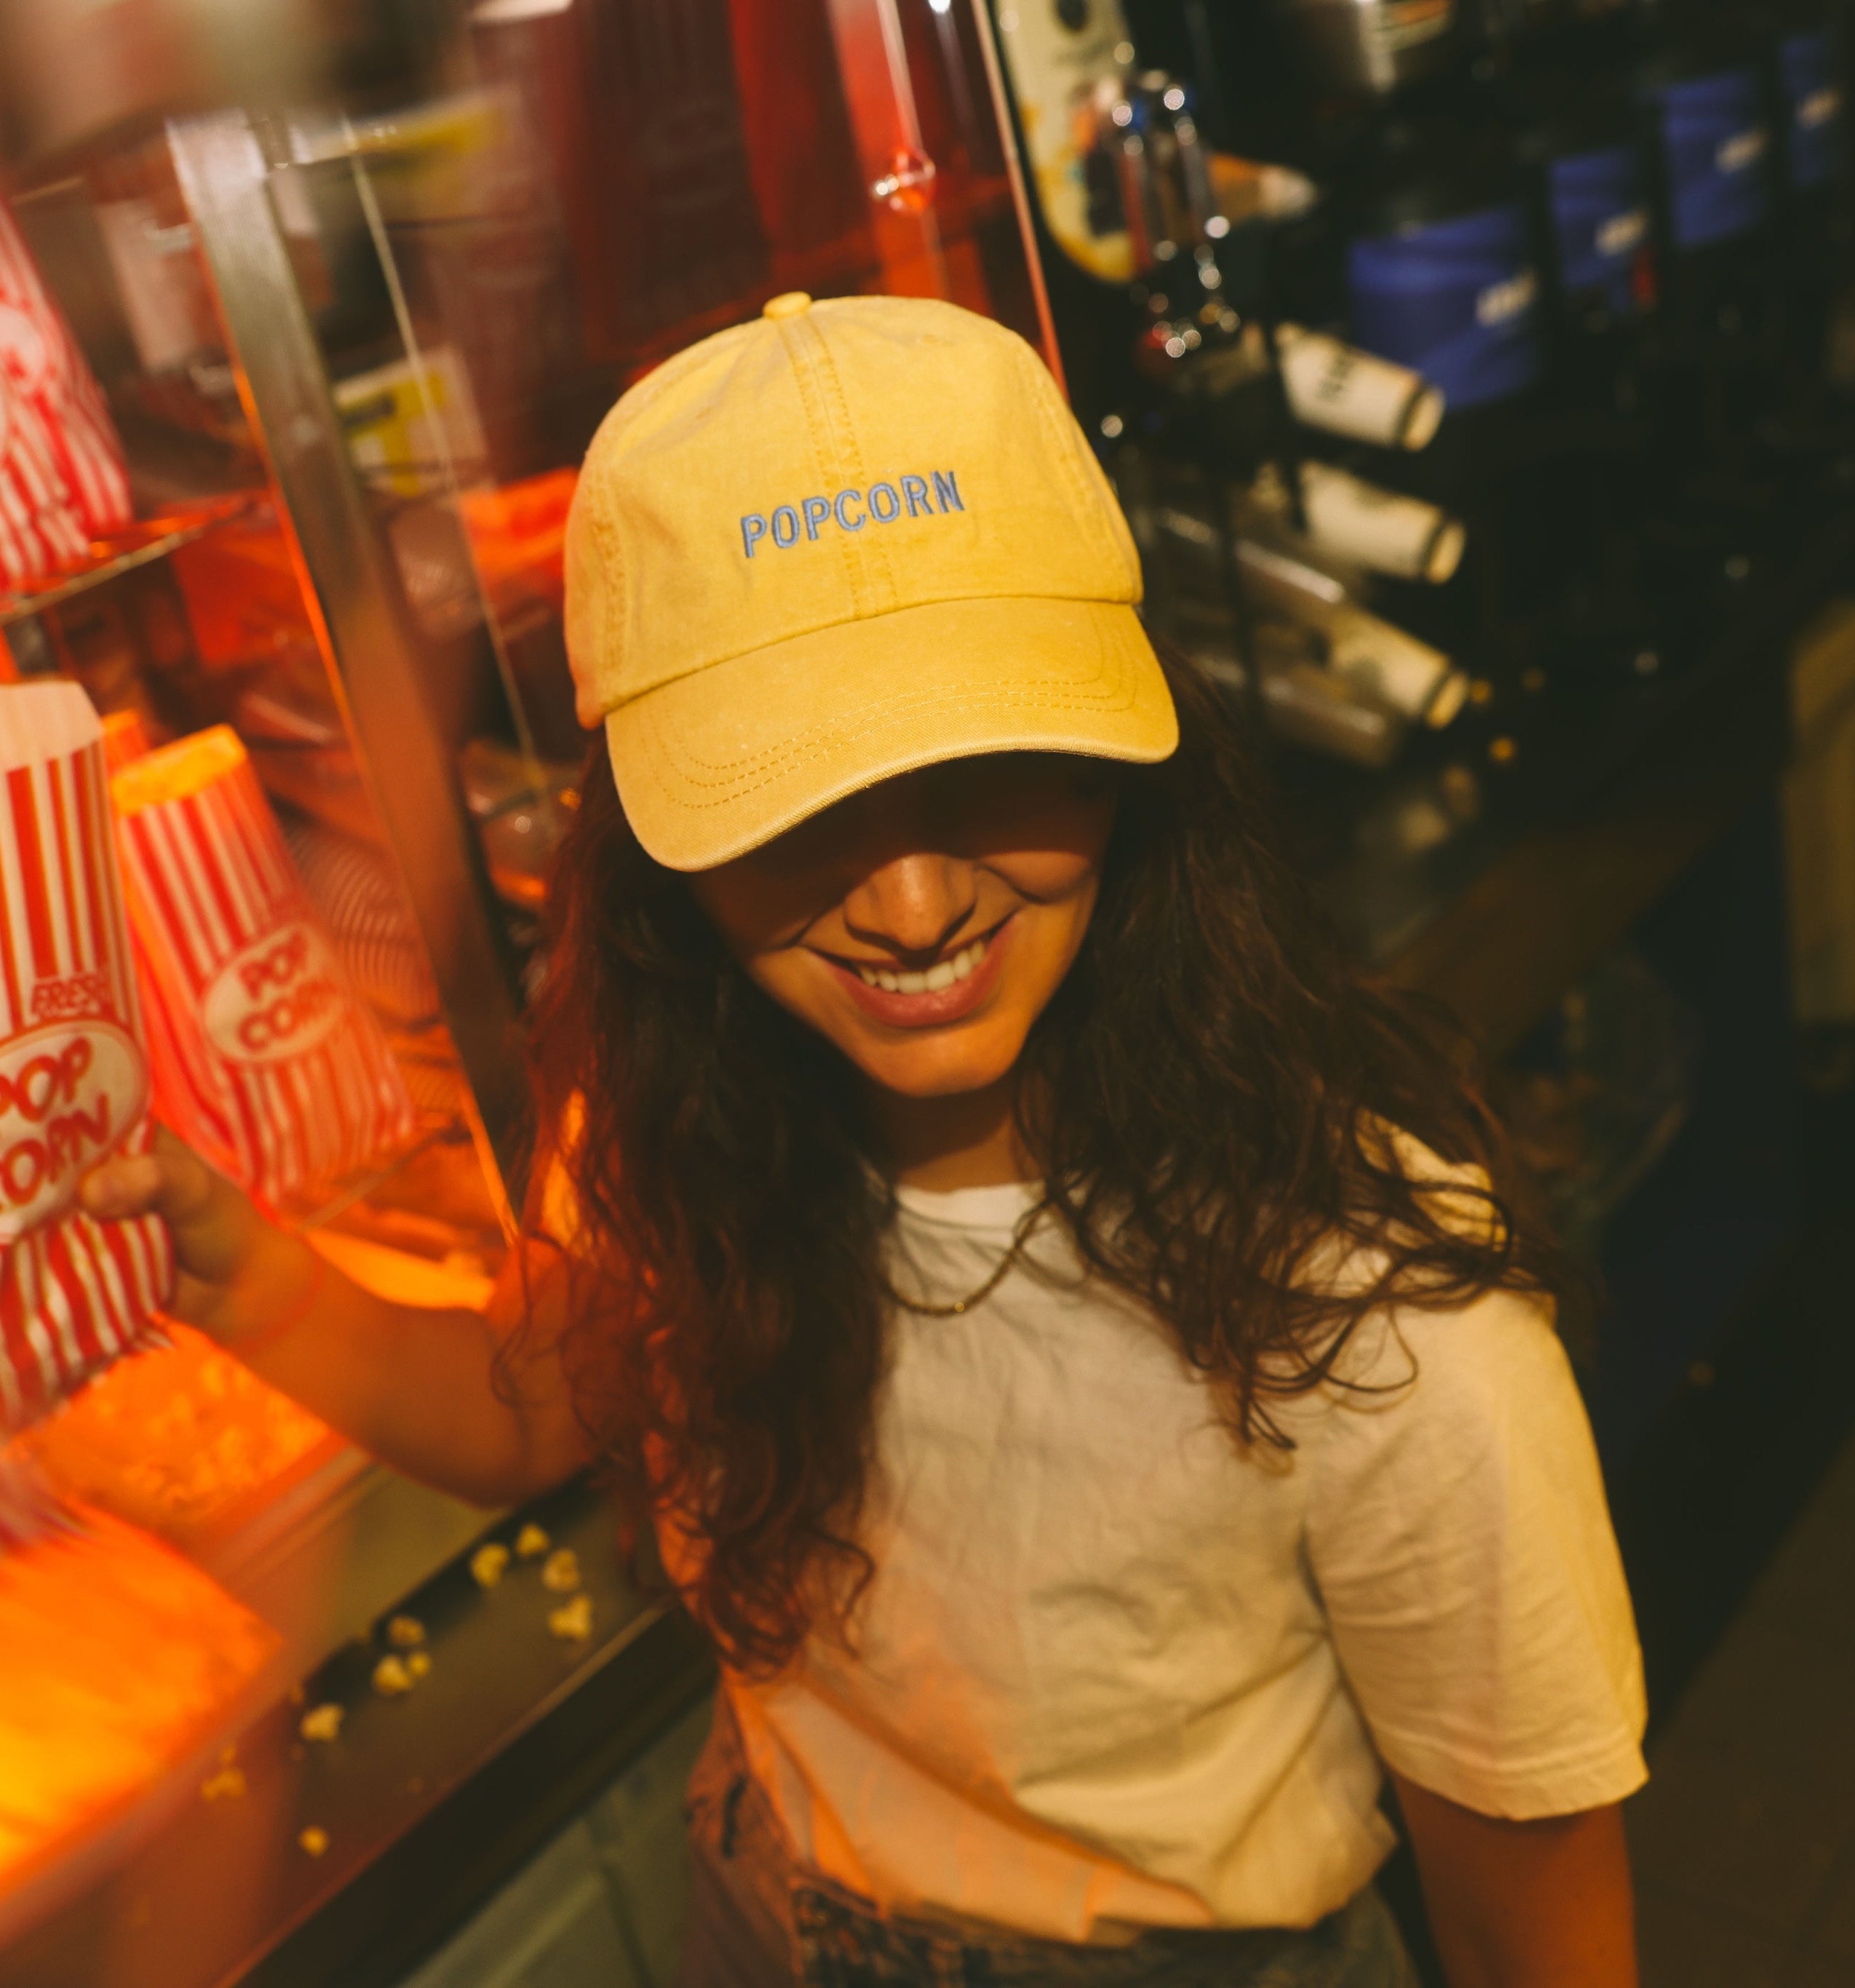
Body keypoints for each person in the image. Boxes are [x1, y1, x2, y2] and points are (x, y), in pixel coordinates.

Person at [83, 293, 1646, 1988]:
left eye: (992, 765)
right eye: (795, 794)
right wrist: (244, 1276)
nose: (910, 905)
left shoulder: (1371, 1305)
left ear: (1132, 749)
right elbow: (543, 1395)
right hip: (767, 1915)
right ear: (650, 844)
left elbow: (1534, 1901)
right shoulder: (682, 1127)